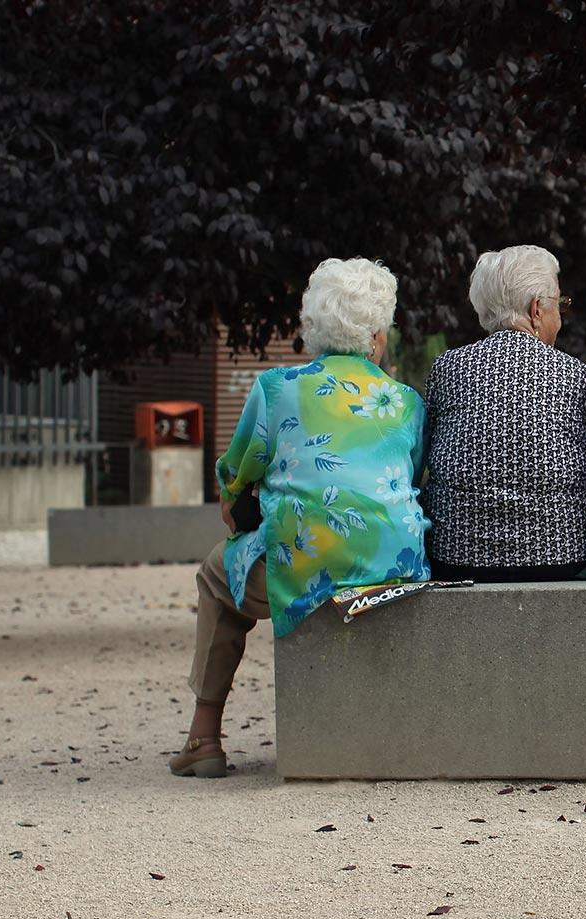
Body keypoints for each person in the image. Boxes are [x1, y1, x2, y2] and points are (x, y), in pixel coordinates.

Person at [171, 258, 431, 778]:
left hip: (304, 566)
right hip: (395, 567)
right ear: (378, 336)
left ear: (312, 327)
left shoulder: (276, 388)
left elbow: (235, 479)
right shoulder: (405, 401)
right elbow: (413, 475)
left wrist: (243, 513)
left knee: (217, 574)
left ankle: (204, 735)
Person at [422, 245, 586, 582]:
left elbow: (427, 455)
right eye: (559, 306)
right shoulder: (578, 376)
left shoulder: (446, 369)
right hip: (561, 557)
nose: (560, 318)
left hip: (456, 556)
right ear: (537, 309)